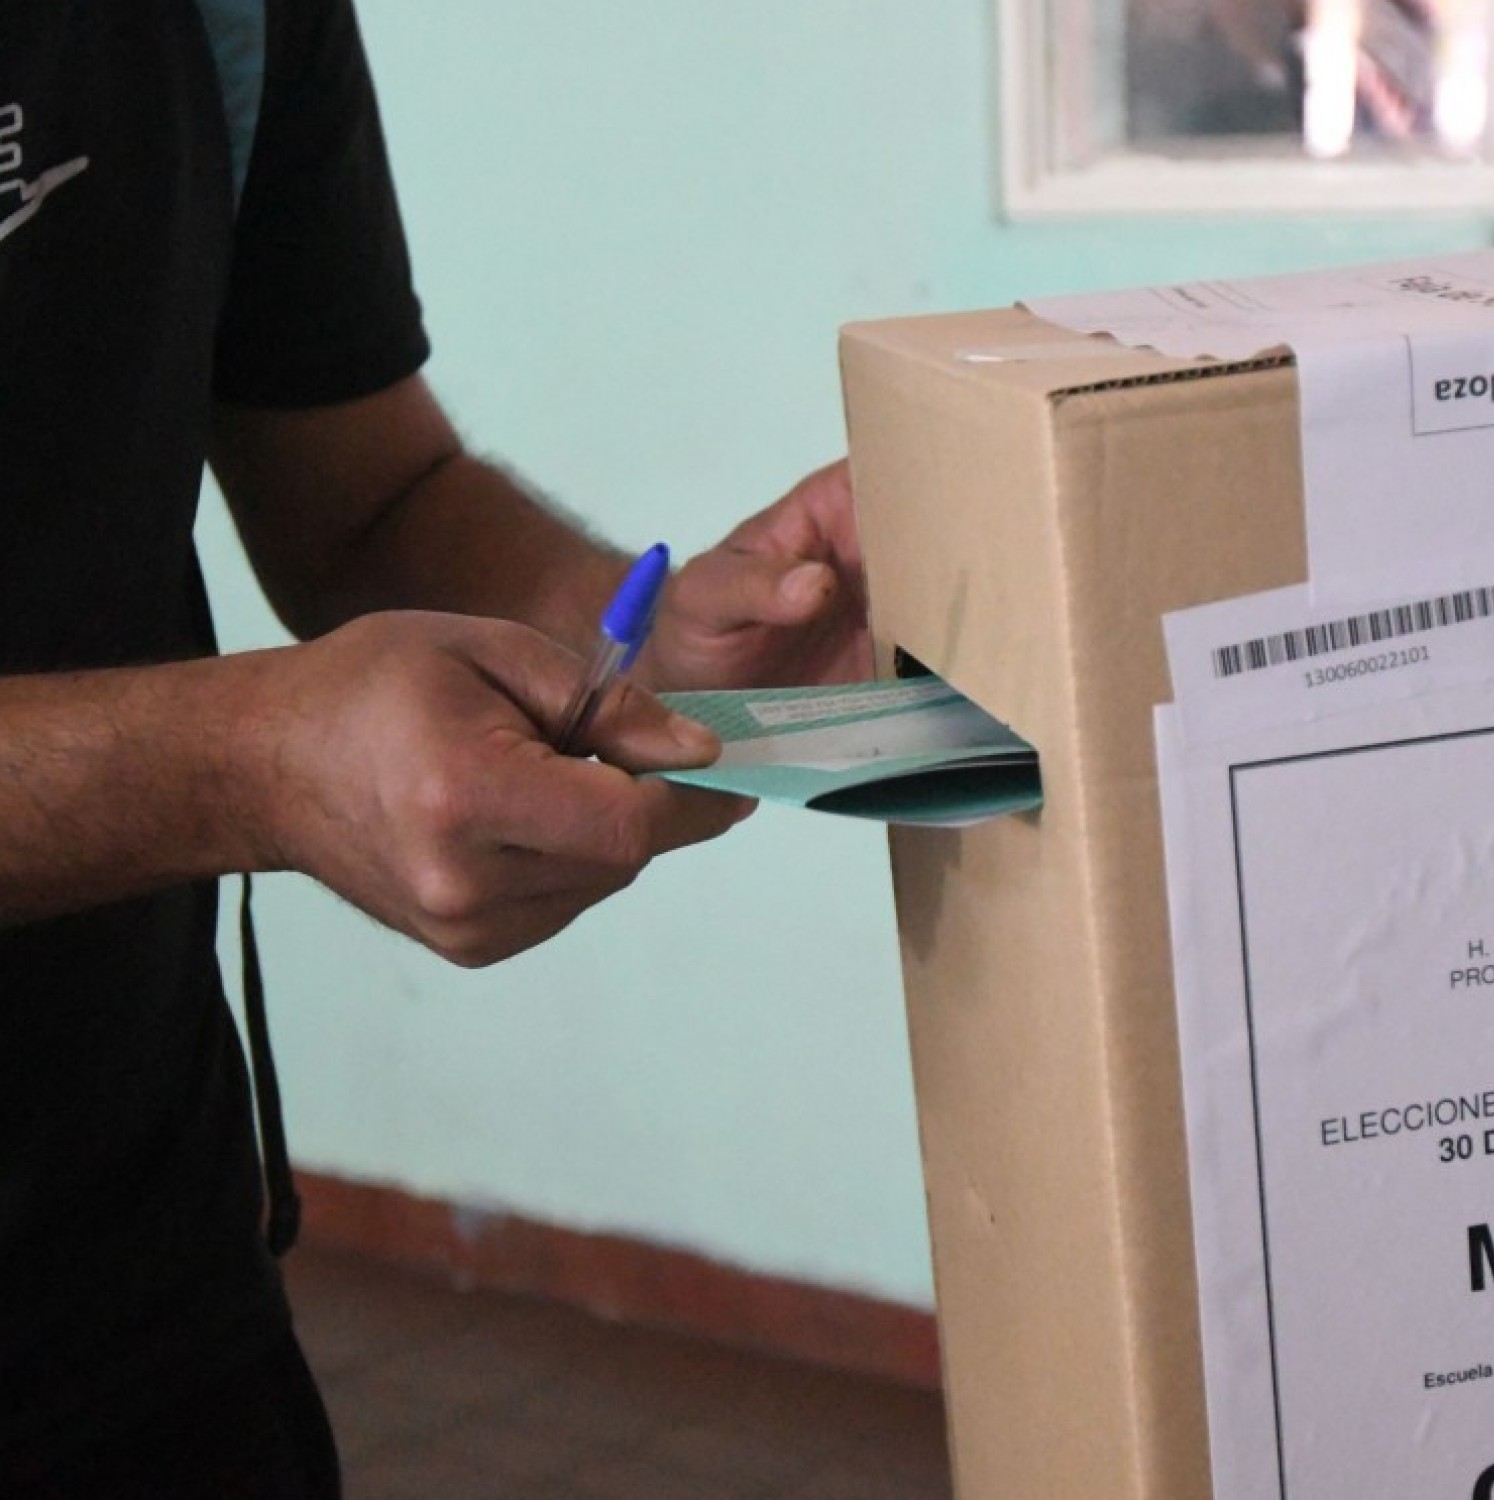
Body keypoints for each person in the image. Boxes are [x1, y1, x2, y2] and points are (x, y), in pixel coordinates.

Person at [0, 1, 869, 1492]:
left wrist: (637, 649)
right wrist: (246, 758)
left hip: (145, 1287)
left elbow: (371, 500)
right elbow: (255, 743)